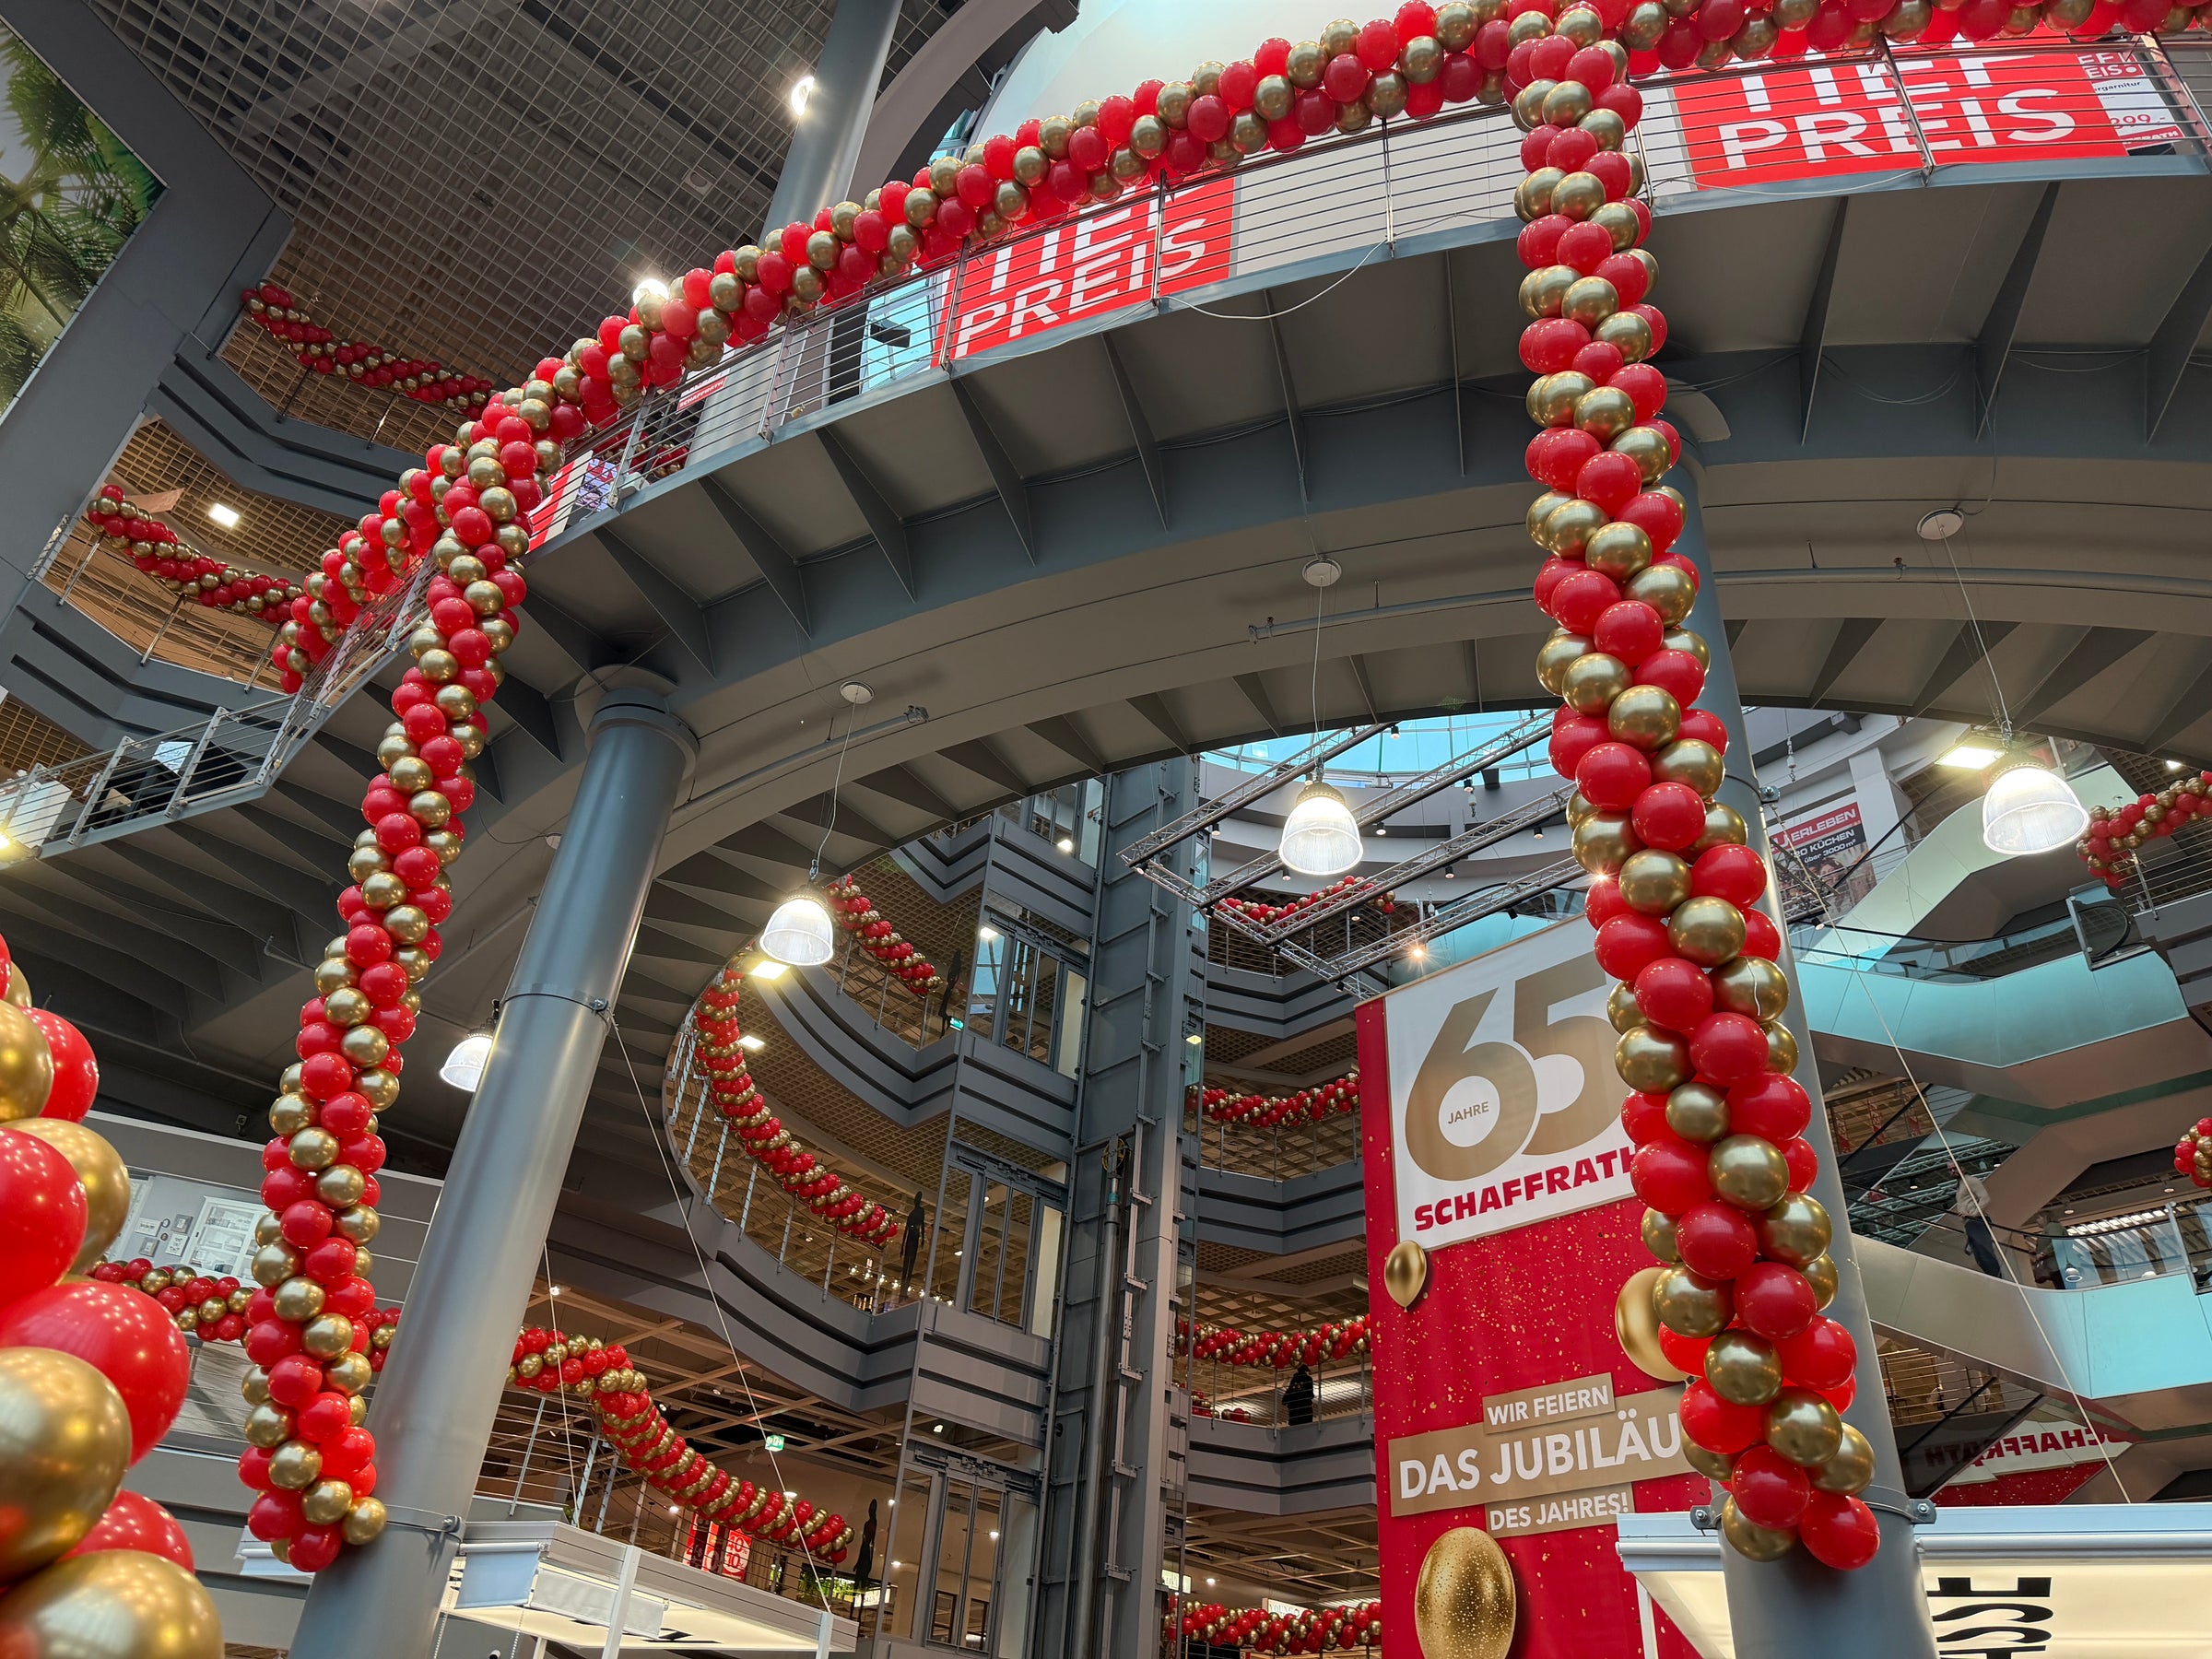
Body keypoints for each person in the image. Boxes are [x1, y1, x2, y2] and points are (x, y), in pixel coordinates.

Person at [1952, 1170, 2002, 1277]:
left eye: (1954, 1168)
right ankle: (1995, 1278)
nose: (1952, 1171)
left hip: (1978, 1221)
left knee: (1985, 1254)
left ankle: (1998, 1279)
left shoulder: (1970, 1181)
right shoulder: (1960, 1185)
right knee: (1980, 1257)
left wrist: (1974, 1214)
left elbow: (1985, 1198)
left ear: (1962, 1167)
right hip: (1971, 1223)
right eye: (1950, 1169)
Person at [899, 1190, 925, 1303]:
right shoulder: (913, 1213)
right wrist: (902, 1247)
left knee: (910, 1264)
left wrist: (923, 1238)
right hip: (911, 1238)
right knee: (907, 1265)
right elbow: (906, 1230)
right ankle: (903, 1292)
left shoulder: (919, 1212)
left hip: (913, 1238)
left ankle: (904, 1292)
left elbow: (922, 1225)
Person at [1282, 1361, 1314, 1427]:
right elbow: (1309, 1392)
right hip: (1305, 1408)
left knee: (1295, 1425)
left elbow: (1289, 1390)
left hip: (1294, 1409)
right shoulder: (1308, 1379)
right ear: (1306, 1371)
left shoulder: (1294, 1379)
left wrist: (1285, 1400)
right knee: (1306, 1425)